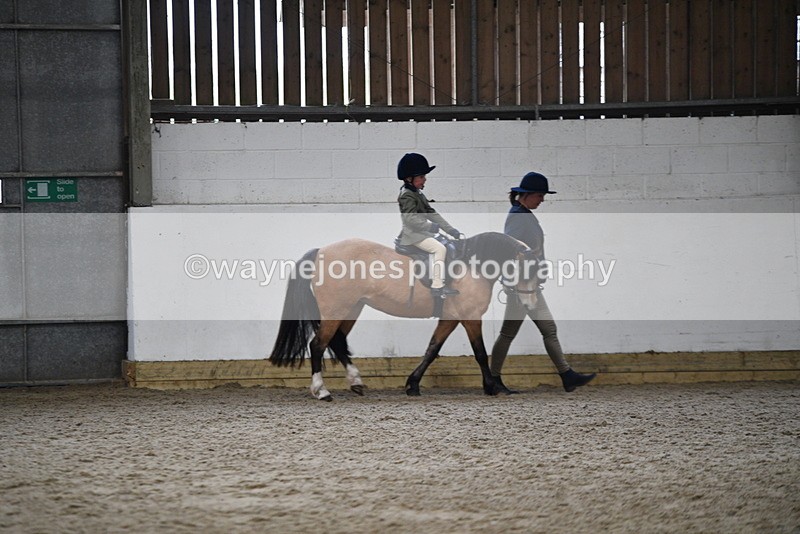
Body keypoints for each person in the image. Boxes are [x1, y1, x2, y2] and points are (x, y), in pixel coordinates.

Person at [490, 171, 597, 394]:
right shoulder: (520, 217)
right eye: (540, 195)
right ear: (527, 195)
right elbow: (511, 248)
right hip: (523, 286)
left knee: (516, 333)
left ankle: (494, 379)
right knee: (542, 330)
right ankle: (565, 375)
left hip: (525, 285)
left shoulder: (522, 213)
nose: (542, 199)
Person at [396, 152, 463, 299]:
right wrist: (429, 227)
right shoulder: (407, 195)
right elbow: (410, 219)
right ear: (409, 179)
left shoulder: (417, 193)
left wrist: (451, 230)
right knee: (440, 249)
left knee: (447, 242)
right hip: (413, 235)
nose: (424, 179)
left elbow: (431, 212)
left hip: (422, 233)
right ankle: (437, 287)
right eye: (421, 177)